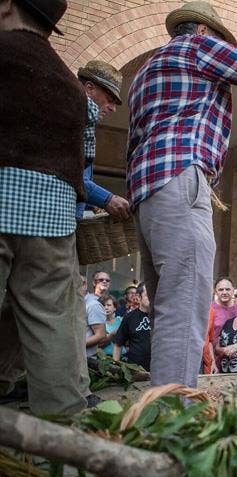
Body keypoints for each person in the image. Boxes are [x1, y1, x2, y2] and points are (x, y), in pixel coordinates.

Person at [126, 1, 237, 387]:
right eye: (221, 41)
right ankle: (175, 409)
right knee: (185, 308)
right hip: (182, 179)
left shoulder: (144, 70)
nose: (222, 49)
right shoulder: (199, 47)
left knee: (167, 305)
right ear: (202, 31)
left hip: (147, 192)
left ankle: (161, 401)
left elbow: (132, 144)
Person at [0, 0, 92, 414]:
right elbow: (80, 165)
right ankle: (63, 441)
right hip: (52, 220)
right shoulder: (72, 87)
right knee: (52, 326)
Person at [76, 60, 130, 221]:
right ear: (89, 88)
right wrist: (107, 199)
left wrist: (89, 203)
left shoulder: (85, 122)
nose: (112, 108)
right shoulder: (73, 120)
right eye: (109, 99)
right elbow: (69, 174)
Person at [201, 277, 237, 374]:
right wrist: (212, 362)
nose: (224, 292)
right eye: (221, 289)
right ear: (215, 291)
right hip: (214, 359)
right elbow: (206, 338)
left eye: (228, 289)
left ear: (233, 289)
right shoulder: (210, 310)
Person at [113, 283, 151, 371]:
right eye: (148, 294)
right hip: (135, 370)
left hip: (159, 370)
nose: (152, 297)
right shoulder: (129, 317)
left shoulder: (162, 317)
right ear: (138, 296)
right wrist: (116, 367)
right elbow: (118, 343)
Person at [82, 275, 107, 358]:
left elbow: (100, 335)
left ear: (84, 285)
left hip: (86, 359)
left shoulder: (92, 305)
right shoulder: (75, 303)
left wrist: (76, 345)